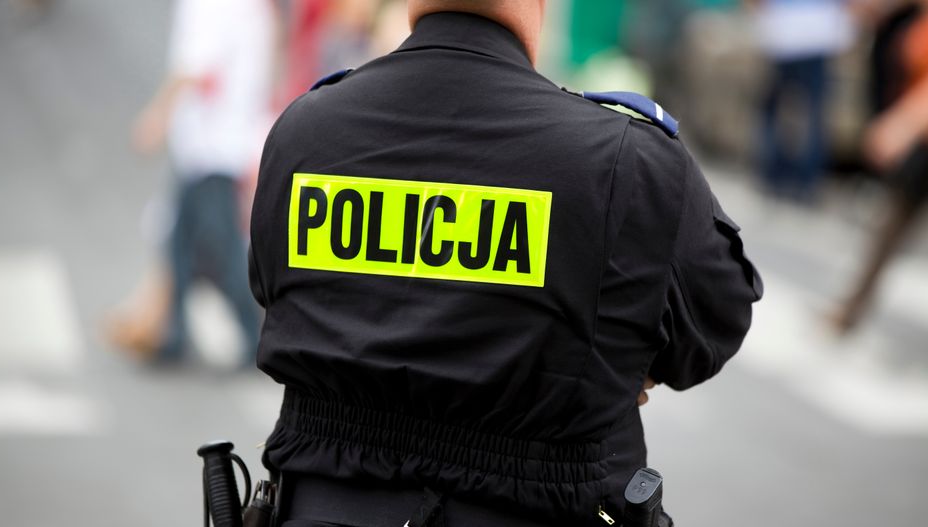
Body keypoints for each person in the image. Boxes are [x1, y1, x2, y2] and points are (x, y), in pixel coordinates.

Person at [249, 1, 762, 525]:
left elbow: (273, 292)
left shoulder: (303, 131)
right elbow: (716, 321)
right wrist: (614, 355)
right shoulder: (625, 156)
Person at [128, 0, 274, 367]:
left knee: (221, 247)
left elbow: (195, 65)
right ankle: (173, 332)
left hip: (213, 143)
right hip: (215, 141)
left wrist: (158, 115)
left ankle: (257, 337)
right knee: (178, 242)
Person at [833, 0, 928, 332]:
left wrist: (902, 124)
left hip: (916, 132)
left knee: (890, 228)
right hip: (921, 149)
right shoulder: (911, 17)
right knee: (887, 230)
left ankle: (850, 313)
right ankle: (850, 312)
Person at [747, 0, 855, 202]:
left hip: (784, 33)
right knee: (813, 112)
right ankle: (807, 179)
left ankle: (775, 173)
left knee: (776, 109)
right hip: (814, 34)